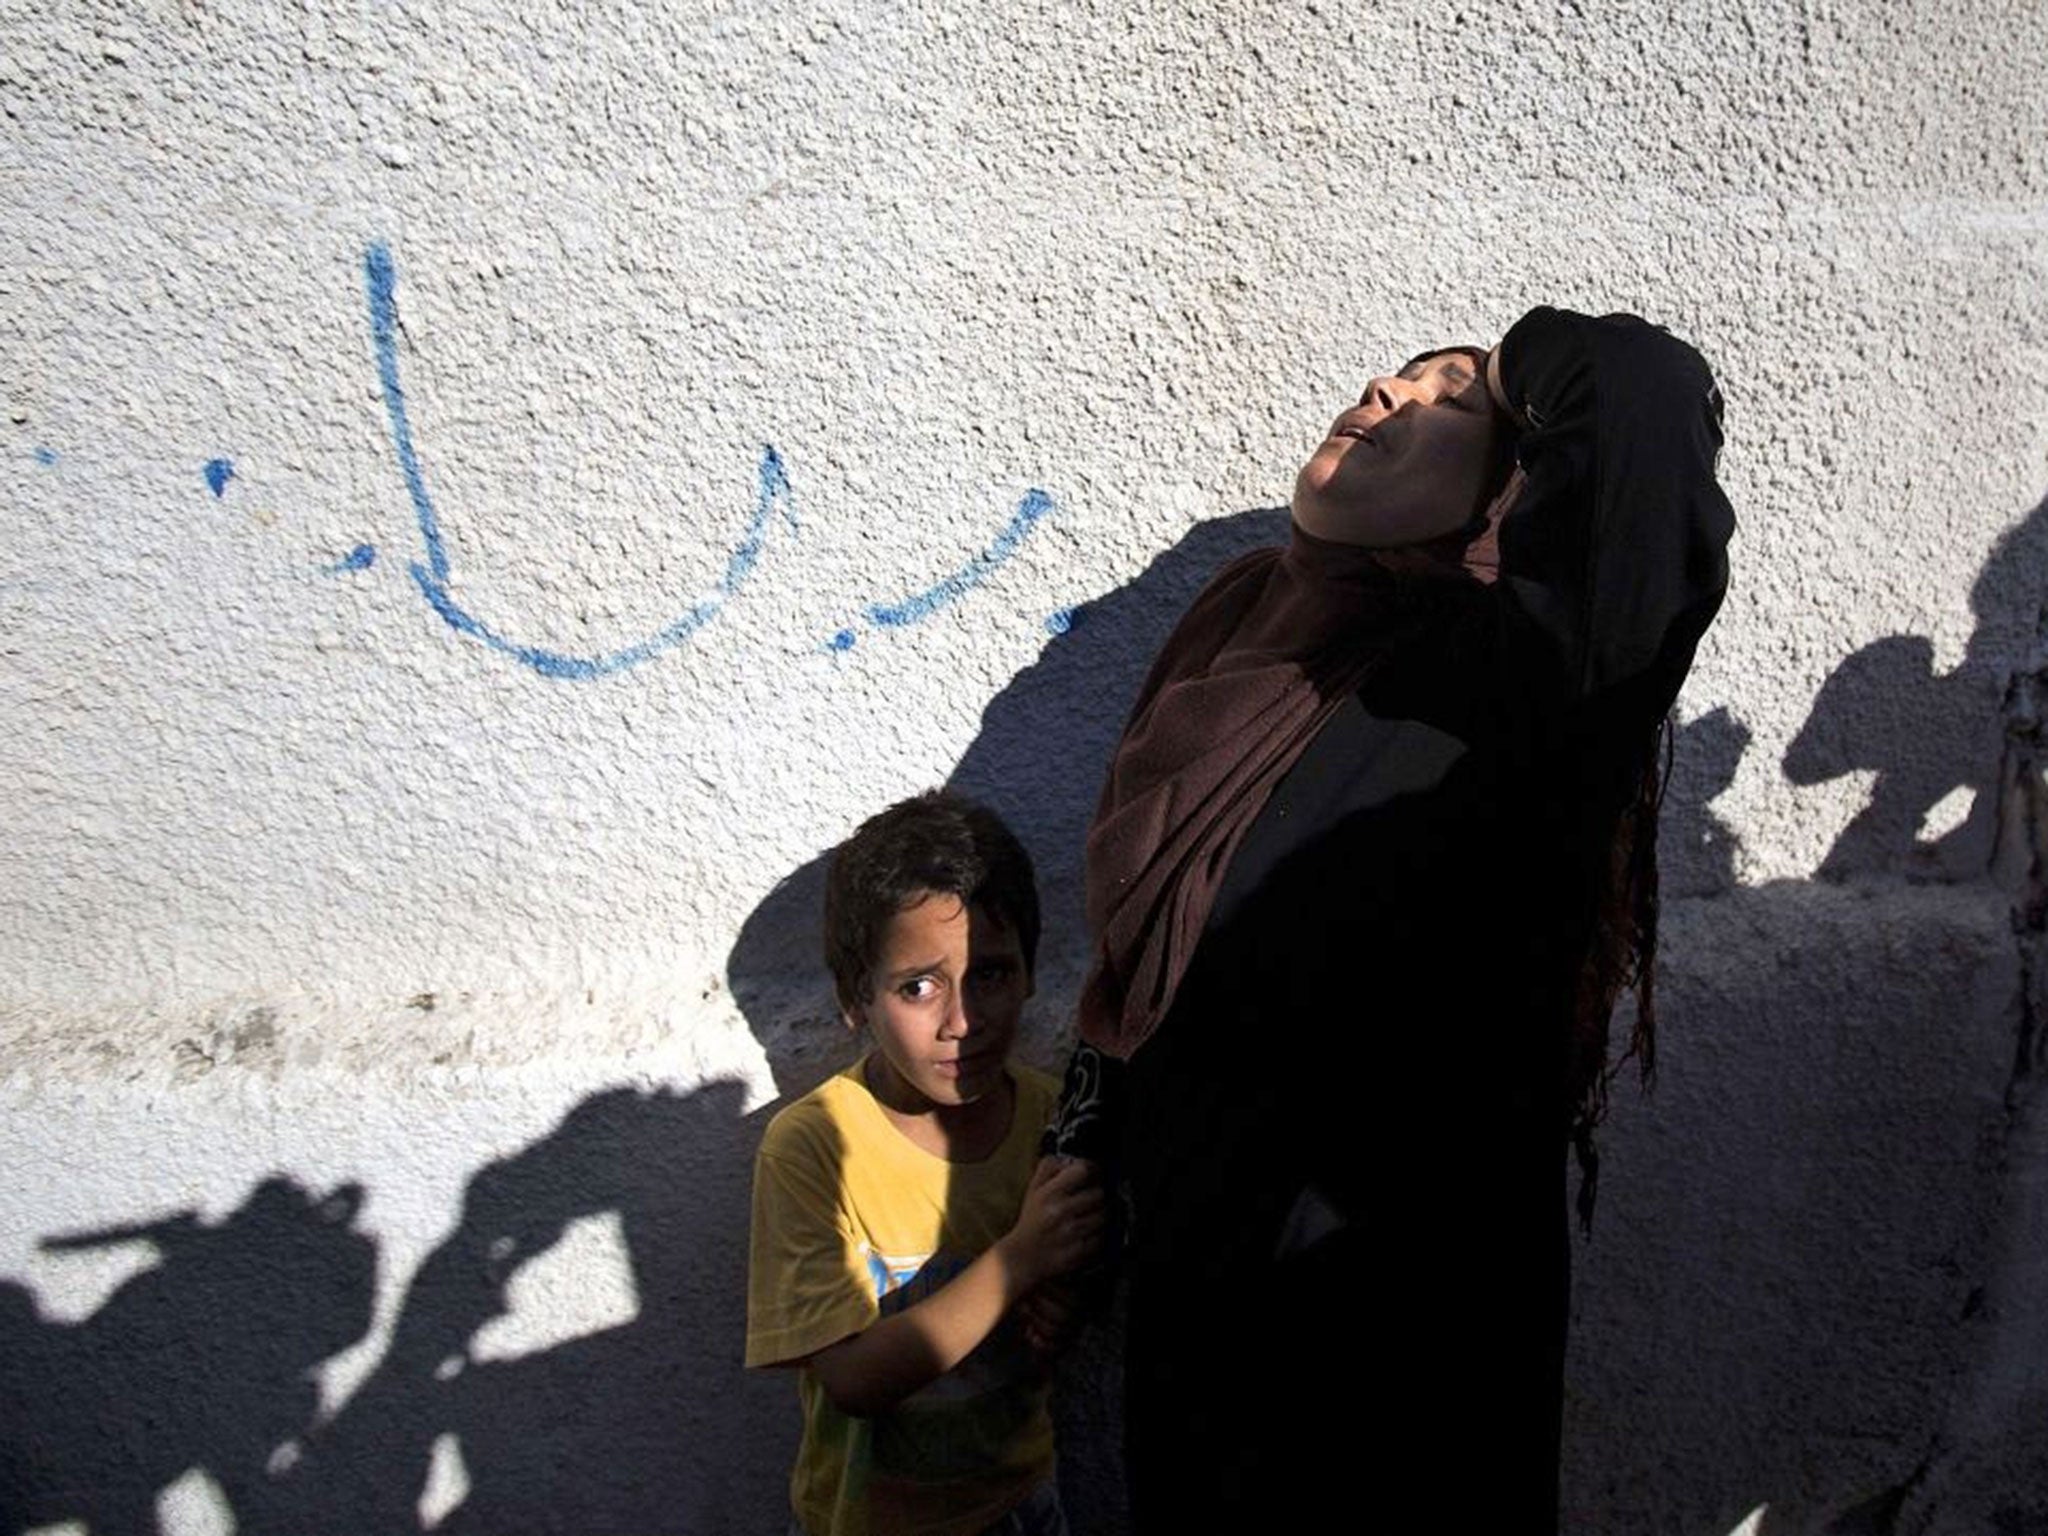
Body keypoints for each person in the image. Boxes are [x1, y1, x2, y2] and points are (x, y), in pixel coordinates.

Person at [1050, 307, 1734, 1532]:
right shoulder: (1233, 650)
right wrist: (1080, 1148)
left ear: (1503, 496)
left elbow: (1642, 393)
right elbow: (1145, 965)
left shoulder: (1515, 689)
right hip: (1196, 1366)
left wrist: (1514, 360)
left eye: (1448, 400)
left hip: (1394, 1388)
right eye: (1394, 374)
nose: (1385, 389)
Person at [747, 790, 1105, 1536]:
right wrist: (1019, 1261)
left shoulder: (1053, 1116)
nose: (963, 1021)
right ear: (856, 999)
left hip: (1026, 1503)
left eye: (992, 975)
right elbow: (851, 1379)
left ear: (1032, 973)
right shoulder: (814, 1148)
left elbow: (1078, 1289)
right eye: (919, 986)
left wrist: (1057, 1300)